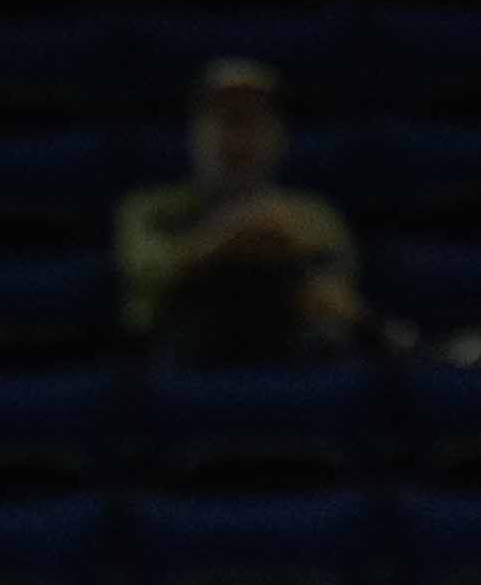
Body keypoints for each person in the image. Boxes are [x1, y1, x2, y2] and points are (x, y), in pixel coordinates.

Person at [116, 55, 360, 365]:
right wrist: (235, 237)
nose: (239, 138)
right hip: (182, 368)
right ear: (195, 133)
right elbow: (149, 280)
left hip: (292, 366)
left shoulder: (313, 214)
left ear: (279, 135)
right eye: (225, 119)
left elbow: (339, 305)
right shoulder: (150, 208)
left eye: (254, 120)